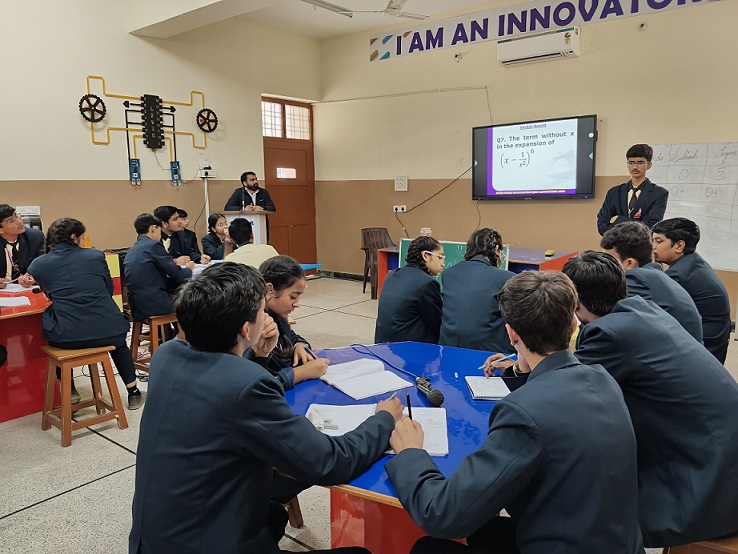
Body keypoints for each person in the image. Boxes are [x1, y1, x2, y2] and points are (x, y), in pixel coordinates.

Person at [129, 262, 402, 553]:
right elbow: (329, 463)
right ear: (246, 329)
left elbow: (222, 393)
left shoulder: (166, 355)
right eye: (263, 312)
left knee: (274, 514)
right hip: (207, 542)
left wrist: (258, 356)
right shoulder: (246, 385)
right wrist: (383, 419)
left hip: (158, 538)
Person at [385, 271, 643, 554]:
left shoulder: (523, 413)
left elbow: (442, 514)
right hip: (606, 540)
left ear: (511, 334)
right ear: (573, 324)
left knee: (427, 547)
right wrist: (521, 367)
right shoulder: (603, 379)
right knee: (484, 529)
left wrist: (410, 453)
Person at [563, 251, 738, 547]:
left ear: (575, 303)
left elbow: (563, 392)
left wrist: (524, 362)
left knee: (582, 508)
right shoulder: (642, 310)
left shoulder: (608, 334)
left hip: (709, 485)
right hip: (720, 458)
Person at [27, 218, 144, 409]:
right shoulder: (95, 255)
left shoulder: (37, 265)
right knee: (119, 345)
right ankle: (133, 392)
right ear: (74, 237)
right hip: (108, 331)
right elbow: (108, 289)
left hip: (66, 337)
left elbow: (49, 294)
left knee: (53, 331)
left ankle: (70, 389)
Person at [600, 221, 703, 342]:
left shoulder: (637, 281)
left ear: (630, 263)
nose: (606, 267)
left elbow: (603, 319)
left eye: (610, 262)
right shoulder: (655, 277)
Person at [652, 217, 731, 363]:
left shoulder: (679, 274)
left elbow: (651, 308)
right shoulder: (692, 262)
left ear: (679, 246)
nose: (653, 247)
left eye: (658, 241)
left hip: (704, 348)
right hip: (715, 341)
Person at [257, 255, 328, 390]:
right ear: (269, 290)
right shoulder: (254, 328)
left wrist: (299, 345)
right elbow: (257, 384)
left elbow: (291, 336)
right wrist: (301, 373)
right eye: (293, 297)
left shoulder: (278, 317)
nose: (297, 304)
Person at [439, 228, 515, 354]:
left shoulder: (448, 274)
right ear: (496, 249)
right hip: (487, 354)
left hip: (447, 349)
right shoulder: (506, 278)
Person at [123, 214, 193, 322]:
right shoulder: (153, 245)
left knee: (178, 294)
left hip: (137, 306)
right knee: (194, 302)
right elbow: (178, 275)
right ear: (153, 228)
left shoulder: (133, 249)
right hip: (155, 303)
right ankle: (186, 333)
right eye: (160, 231)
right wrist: (189, 269)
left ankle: (172, 332)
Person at [374, 236, 444, 344]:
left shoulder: (392, 275)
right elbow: (437, 322)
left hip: (382, 343)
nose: (443, 263)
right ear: (425, 255)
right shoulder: (427, 282)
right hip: (408, 347)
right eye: (440, 257)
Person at [596, 144, 668, 236]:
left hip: (642, 244)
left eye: (640, 162)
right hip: (615, 243)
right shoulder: (614, 192)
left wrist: (619, 220)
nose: (635, 167)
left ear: (649, 165)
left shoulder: (659, 193)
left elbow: (650, 227)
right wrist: (632, 228)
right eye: (631, 162)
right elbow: (602, 225)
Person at [0, 204, 44, 288]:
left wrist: (32, 277)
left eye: (17, 216)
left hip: (27, 289)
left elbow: (43, 266)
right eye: (11, 221)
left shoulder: (34, 238)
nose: (19, 222)